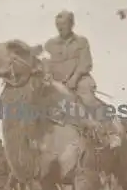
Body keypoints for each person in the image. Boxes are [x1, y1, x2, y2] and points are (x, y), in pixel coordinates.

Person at [43, 10, 121, 148]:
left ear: (72, 24)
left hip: (80, 80)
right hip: (58, 83)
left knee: (88, 99)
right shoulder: (50, 44)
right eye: (58, 25)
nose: (60, 28)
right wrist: (47, 75)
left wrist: (74, 78)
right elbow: (46, 63)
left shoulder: (81, 42)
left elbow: (85, 63)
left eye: (64, 24)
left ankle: (111, 133)